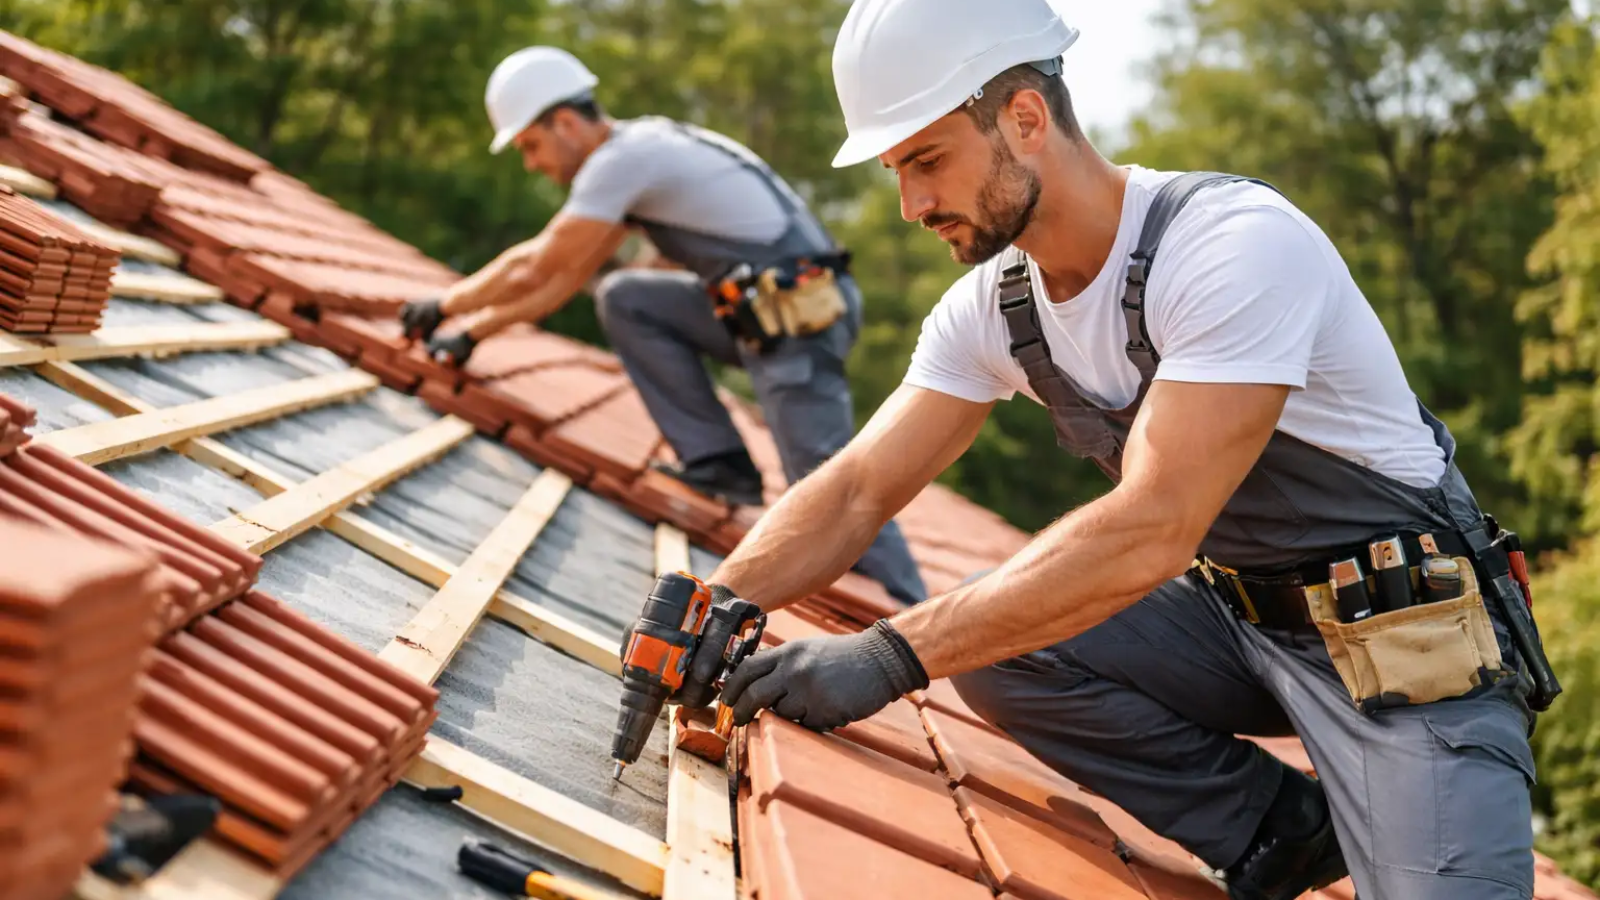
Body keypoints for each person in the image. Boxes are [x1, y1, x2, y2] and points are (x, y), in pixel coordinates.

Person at [683, 1, 1558, 898]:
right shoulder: (996, 306)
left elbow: (1155, 526)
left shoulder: (1230, 247)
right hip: (1237, 630)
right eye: (896, 171)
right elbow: (862, 485)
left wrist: (885, 656)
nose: (910, 206)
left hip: (1405, 648)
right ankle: (1275, 829)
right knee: (996, 636)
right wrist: (715, 600)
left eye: (927, 162)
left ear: (1025, 118)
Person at [401, 46, 926, 605]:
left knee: (831, 489)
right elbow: (562, 280)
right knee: (628, 296)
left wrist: (445, 303)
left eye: (531, 145)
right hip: (765, 312)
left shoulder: (622, 162)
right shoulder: (638, 151)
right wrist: (470, 333)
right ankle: (719, 463)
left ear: (567, 122)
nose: (532, 163)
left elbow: (538, 263)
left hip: (798, 319)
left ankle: (908, 608)